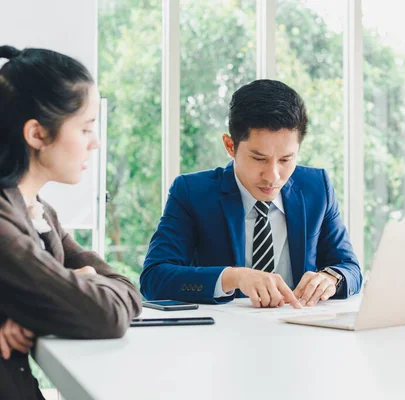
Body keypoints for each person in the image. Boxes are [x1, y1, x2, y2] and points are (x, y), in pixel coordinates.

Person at [141, 79, 362, 308]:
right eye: (259, 159)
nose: (273, 176)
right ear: (230, 146)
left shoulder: (316, 187)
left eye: (286, 159)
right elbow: (154, 279)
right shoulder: (192, 193)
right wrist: (233, 277)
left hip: (299, 332)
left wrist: (332, 278)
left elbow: (350, 268)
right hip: (221, 336)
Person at [0, 45, 142, 399]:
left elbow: (127, 287)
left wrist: (50, 299)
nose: (95, 143)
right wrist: (64, 292)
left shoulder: (41, 212)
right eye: (85, 129)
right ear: (36, 134)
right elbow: (107, 315)